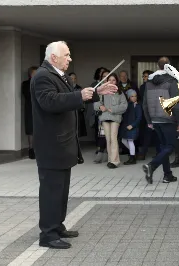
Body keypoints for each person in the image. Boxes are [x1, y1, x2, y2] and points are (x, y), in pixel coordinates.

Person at [31, 41, 117, 249]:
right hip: (51, 145)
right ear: (54, 58)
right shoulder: (42, 76)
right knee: (52, 191)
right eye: (67, 55)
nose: (70, 59)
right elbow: (50, 102)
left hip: (63, 144)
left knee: (61, 190)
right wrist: (79, 95)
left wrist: (96, 92)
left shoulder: (60, 75)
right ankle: (48, 235)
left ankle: (57, 226)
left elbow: (72, 97)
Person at [142, 56, 179, 184]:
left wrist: (149, 121)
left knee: (163, 147)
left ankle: (168, 175)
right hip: (168, 119)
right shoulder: (171, 81)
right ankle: (152, 166)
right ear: (169, 66)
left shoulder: (148, 83)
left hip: (154, 119)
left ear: (157, 66)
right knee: (170, 146)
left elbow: (144, 104)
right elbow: (176, 104)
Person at [22, 66, 39, 159]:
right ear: (30, 74)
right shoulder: (25, 84)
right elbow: (27, 95)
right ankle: (31, 149)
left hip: (41, 109)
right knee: (30, 129)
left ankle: (39, 149)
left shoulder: (42, 82)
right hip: (30, 109)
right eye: (34, 73)